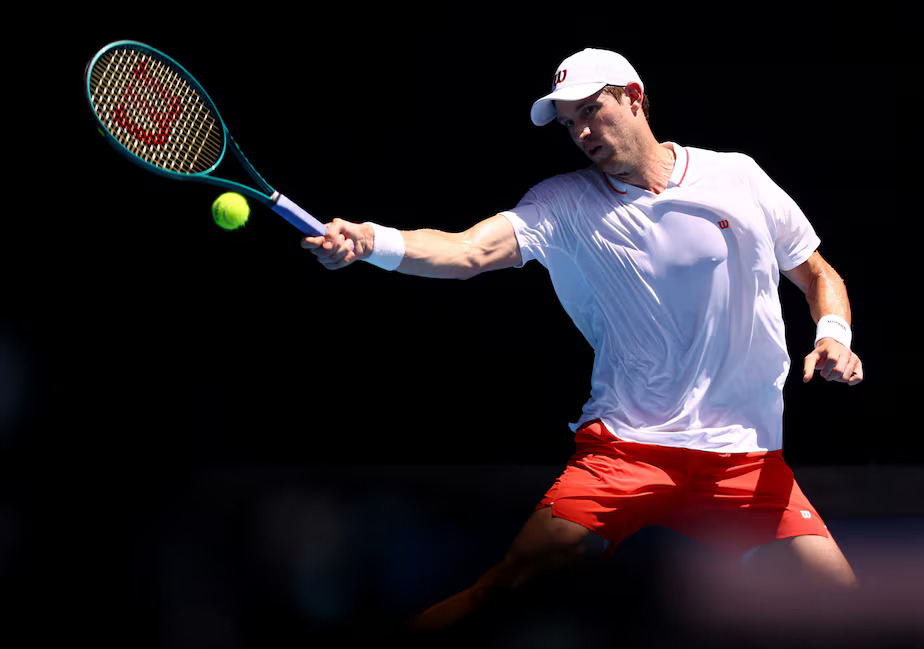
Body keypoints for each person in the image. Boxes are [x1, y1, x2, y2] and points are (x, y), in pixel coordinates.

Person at [302, 48, 863, 632]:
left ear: (635, 98)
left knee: (850, 614)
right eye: (571, 123)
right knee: (507, 586)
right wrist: (371, 240)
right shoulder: (563, 204)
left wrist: (833, 336)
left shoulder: (738, 177)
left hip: (745, 463)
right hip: (627, 449)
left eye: (593, 111)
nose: (584, 133)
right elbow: (466, 250)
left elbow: (818, 274)